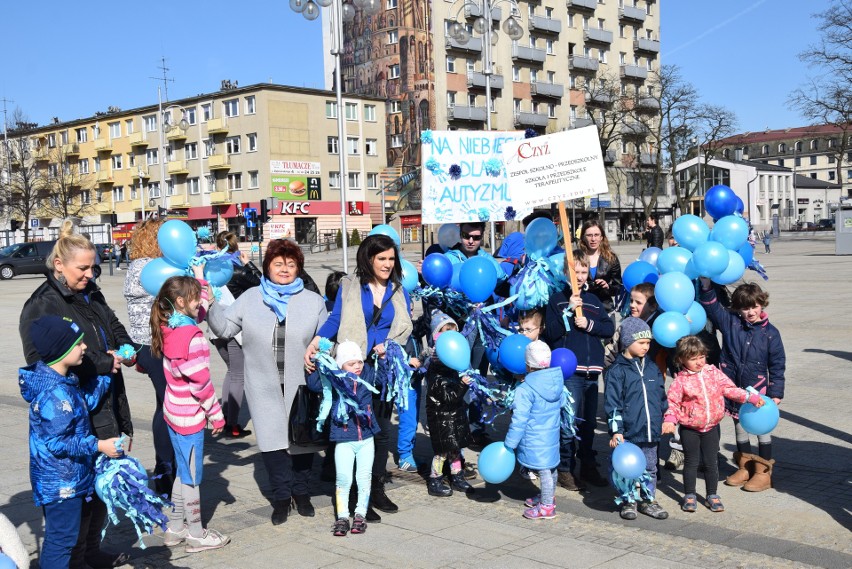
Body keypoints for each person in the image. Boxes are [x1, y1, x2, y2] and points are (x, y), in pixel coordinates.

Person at [20, 220, 134, 569]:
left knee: (98, 488)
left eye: (93, 267)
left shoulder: (90, 291)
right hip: (76, 414)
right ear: (59, 265)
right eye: (82, 268)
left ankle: (87, 552)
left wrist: (127, 348)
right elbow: (43, 364)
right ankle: (72, 557)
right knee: (78, 499)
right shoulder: (42, 305)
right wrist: (103, 362)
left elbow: (112, 325)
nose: (89, 274)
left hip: (105, 402)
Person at [209, 239, 328, 525]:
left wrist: (320, 349)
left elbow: (326, 338)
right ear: (267, 267)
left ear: (299, 268)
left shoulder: (313, 301)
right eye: (278, 264)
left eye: (291, 264)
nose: (285, 269)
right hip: (263, 384)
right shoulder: (251, 297)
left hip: (302, 385)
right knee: (272, 445)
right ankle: (280, 496)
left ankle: (302, 493)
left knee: (302, 443)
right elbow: (225, 328)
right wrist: (211, 302)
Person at [305, 234, 413, 522]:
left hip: (385, 369)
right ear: (368, 259)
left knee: (381, 431)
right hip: (355, 367)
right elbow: (336, 319)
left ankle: (375, 489)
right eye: (382, 258)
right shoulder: (350, 286)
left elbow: (406, 326)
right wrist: (317, 341)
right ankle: (353, 495)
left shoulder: (399, 290)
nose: (388, 264)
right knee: (352, 429)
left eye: (391, 258)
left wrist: (390, 345)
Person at [20, 316, 123, 568]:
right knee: (61, 540)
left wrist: (107, 373)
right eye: (78, 344)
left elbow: (82, 404)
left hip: (72, 478)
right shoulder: (54, 394)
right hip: (59, 484)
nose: (85, 347)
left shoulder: (65, 383)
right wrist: (99, 446)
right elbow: (57, 442)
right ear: (60, 350)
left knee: (70, 537)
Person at [150, 275, 230, 552]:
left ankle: (174, 527)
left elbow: (199, 309)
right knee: (192, 477)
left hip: (172, 412)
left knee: (183, 471)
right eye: (195, 297)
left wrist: (200, 281)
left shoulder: (170, 327)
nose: (200, 303)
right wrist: (216, 414)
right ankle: (196, 533)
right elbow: (201, 384)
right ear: (182, 302)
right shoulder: (193, 336)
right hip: (189, 418)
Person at [699, 279, 785, 492]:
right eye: (745, 308)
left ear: (762, 304)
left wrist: (775, 392)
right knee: (740, 428)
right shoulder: (730, 322)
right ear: (738, 308)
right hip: (735, 390)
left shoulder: (770, 334)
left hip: (759, 391)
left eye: (754, 306)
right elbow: (712, 307)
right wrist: (706, 287)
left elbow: (777, 365)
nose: (750, 312)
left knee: (762, 430)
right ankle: (745, 468)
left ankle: (763, 472)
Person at [663, 336, 765, 512]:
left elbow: (729, 389)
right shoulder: (680, 380)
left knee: (711, 462)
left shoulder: (714, 373)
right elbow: (672, 403)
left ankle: (712, 495)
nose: (699, 362)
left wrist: (750, 397)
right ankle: (689, 495)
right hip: (690, 429)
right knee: (691, 462)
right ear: (681, 360)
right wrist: (670, 420)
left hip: (711, 427)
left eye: (701, 357)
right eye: (693, 359)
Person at [543, 253, 614, 491]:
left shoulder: (593, 300)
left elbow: (609, 328)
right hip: (569, 372)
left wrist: (589, 325)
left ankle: (588, 465)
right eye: (576, 273)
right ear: (566, 274)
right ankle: (565, 467)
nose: (580, 277)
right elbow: (550, 333)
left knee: (588, 423)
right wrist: (568, 313)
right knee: (569, 421)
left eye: (584, 272)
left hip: (592, 371)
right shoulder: (557, 300)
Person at [123, 218, 177, 498]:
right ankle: (166, 472)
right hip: (157, 343)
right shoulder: (153, 269)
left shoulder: (135, 266)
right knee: (169, 405)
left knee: (162, 404)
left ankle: (164, 470)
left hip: (145, 343)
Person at [308, 341, 382, 536]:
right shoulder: (335, 381)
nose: (357, 366)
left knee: (364, 478)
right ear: (340, 365)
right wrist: (319, 362)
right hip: (344, 438)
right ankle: (342, 516)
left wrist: (382, 358)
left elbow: (381, 378)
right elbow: (314, 384)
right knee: (343, 478)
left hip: (366, 438)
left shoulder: (367, 375)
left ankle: (360, 514)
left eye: (359, 362)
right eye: (351, 363)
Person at [604, 317, 669, 521]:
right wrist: (616, 430)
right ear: (626, 342)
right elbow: (612, 403)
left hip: (651, 429)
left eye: (648, 343)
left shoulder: (652, 368)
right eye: (641, 343)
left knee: (650, 466)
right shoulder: (617, 371)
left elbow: (661, 396)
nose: (646, 347)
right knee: (629, 468)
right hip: (630, 431)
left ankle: (648, 500)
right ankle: (628, 499)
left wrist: (666, 418)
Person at [503, 341, 564, 520]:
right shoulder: (556, 383)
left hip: (535, 437)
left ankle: (546, 507)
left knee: (544, 470)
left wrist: (510, 443)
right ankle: (548, 496)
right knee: (551, 468)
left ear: (528, 364)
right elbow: (562, 405)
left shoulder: (525, 389)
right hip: (551, 435)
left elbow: (519, 419)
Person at [424, 311, 474, 497]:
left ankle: (457, 475)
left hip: (453, 417)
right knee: (442, 452)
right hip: (441, 418)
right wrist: (462, 385)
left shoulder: (452, 369)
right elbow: (450, 397)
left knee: (455, 448)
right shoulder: (437, 374)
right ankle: (435, 479)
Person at [210, 231, 251, 438]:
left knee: (230, 371)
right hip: (234, 327)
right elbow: (259, 283)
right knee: (238, 374)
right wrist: (247, 265)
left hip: (214, 325)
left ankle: (224, 418)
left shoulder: (210, 266)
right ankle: (232, 424)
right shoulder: (237, 268)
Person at [578, 220, 623, 314]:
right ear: (583, 237)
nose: (593, 239)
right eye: (589, 235)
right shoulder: (577, 258)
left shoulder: (611, 258)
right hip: (582, 309)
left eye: (596, 235)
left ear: (601, 237)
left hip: (605, 309)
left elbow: (618, 287)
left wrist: (607, 287)